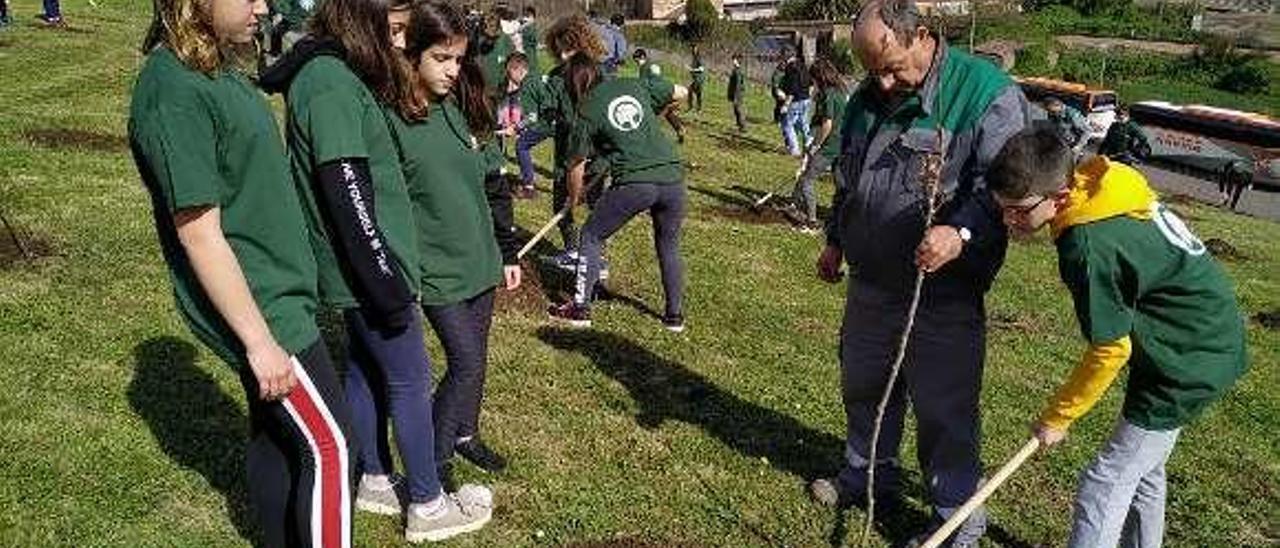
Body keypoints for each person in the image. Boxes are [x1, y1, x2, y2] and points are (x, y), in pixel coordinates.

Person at [258, 0, 493, 542]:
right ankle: (430, 505)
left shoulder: (334, 75)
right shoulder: (331, 84)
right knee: (410, 379)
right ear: (360, 17)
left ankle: (375, 478)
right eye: (393, 28)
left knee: (364, 371)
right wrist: (384, 280)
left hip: (361, 272)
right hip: (369, 273)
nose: (398, 40)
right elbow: (346, 189)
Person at [128, 0, 356, 545]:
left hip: (280, 289)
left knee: (279, 439)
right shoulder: (172, 91)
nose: (263, 6)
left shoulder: (214, 65)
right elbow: (199, 233)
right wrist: (258, 340)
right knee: (331, 448)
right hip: (262, 305)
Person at [808, 1, 1029, 545]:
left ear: (923, 36)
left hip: (943, 294)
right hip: (871, 283)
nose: (881, 82)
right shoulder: (867, 96)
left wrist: (961, 233)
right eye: (870, 69)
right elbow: (849, 179)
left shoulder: (984, 94)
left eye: (890, 66)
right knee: (863, 385)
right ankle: (865, 475)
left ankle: (955, 519)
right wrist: (837, 239)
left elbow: (1006, 188)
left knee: (944, 408)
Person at [988, 125, 1247, 548]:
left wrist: (1059, 417)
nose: (1008, 219)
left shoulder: (1089, 246)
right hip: (1200, 340)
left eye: (1018, 210)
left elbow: (1110, 347)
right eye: (1001, 208)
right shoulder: (1100, 185)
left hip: (1186, 358)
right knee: (1143, 470)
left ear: (1058, 195)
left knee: (1104, 482)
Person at [400, 0, 523, 503]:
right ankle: (430, 466)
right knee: (465, 362)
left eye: (458, 59)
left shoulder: (461, 109)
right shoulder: (395, 118)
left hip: (481, 261)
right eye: (441, 58)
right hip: (438, 271)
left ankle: (464, 435)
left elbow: (494, 184)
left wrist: (508, 253)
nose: (453, 70)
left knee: (477, 358)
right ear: (412, 55)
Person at [547, 53, 690, 332]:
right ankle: (674, 317)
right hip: (673, 177)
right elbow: (681, 93)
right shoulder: (634, 85)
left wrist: (574, 198)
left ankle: (580, 309)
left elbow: (576, 164)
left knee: (590, 234)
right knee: (668, 244)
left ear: (573, 84)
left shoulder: (586, 109)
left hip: (636, 182)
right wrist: (656, 112)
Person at [542, 14, 607, 269]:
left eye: (569, 49)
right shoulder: (556, 76)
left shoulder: (598, 74)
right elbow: (548, 110)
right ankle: (572, 250)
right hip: (566, 151)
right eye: (560, 51)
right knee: (561, 204)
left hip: (596, 153)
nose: (565, 56)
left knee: (598, 208)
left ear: (582, 45)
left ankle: (596, 258)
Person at [786, 58, 849, 232]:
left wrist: (816, 145)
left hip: (830, 146)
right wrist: (810, 141)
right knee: (841, 184)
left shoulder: (829, 94)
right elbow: (819, 120)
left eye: (813, 78)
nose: (812, 81)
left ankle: (812, 221)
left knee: (807, 179)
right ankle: (840, 218)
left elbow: (827, 124)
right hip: (843, 144)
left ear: (820, 77)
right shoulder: (841, 91)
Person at [635, 47, 687, 144]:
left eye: (637, 60)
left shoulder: (644, 67)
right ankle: (680, 129)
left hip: (661, 93)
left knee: (650, 113)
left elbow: (644, 85)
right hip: (672, 90)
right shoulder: (654, 65)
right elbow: (658, 79)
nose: (636, 63)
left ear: (642, 57)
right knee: (667, 113)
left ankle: (649, 137)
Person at [778, 52, 813, 157]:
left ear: (786, 56)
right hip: (806, 100)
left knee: (788, 125)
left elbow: (792, 89)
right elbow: (811, 84)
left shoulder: (790, 68)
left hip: (795, 101)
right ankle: (810, 147)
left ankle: (795, 150)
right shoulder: (803, 65)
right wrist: (808, 97)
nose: (781, 58)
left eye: (782, 56)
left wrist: (785, 105)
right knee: (804, 124)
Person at [727, 52, 747, 133]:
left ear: (737, 60)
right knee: (736, 109)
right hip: (736, 93)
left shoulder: (738, 71)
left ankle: (743, 126)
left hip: (738, 94)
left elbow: (738, 85)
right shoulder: (736, 69)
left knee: (738, 109)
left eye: (734, 59)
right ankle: (739, 124)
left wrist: (735, 96)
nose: (732, 61)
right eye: (733, 59)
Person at [519, 5, 540, 76]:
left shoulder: (532, 27)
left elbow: (535, 41)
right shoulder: (525, 27)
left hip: (531, 52)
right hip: (525, 51)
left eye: (529, 16)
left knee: (532, 68)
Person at [688, 44, 706, 112]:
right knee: (690, 91)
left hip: (700, 79)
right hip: (695, 79)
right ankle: (691, 107)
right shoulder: (694, 58)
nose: (693, 50)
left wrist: (692, 70)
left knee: (698, 93)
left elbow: (701, 69)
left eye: (694, 48)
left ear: (697, 50)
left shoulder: (699, 58)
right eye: (692, 48)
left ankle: (699, 109)